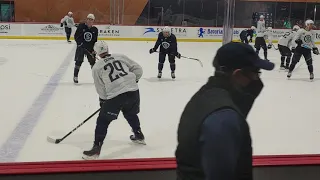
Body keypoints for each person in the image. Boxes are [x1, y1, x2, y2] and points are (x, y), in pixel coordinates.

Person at [175, 42, 275, 180]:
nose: (257, 79)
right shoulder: (224, 118)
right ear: (238, 74)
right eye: (255, 73)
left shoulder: (206, 95)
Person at [83, 41, 145, 160]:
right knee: (130, 113)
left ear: (96, 53)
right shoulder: (120, 56)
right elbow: (138, 69)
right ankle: (139, 135)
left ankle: (96, 149)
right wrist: (133, 81)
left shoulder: (97, 67)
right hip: (133, 92)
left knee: (103, 121)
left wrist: (104, 101)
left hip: (116, 96)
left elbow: (100, 88)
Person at [73, 14, 98, 84]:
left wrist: (94, 50)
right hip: (81, 47)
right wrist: (79, 43)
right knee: (78, 62)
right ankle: (75, 76)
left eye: (91, 20)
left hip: (90, 49)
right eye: (89, 19)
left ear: (93, 21)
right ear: (86, 19)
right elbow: (76, 36)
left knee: (93, 63)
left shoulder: (95, 30)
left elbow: (95, 41)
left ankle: (96, 78)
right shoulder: (81, 26)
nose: (90, 21)